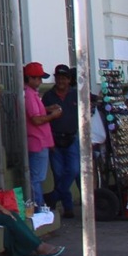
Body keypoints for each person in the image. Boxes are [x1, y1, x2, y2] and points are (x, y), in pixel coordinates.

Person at [43, 65, 80, 218]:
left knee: (74, 169)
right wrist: (49, 140)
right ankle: (68, 207)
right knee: (58, 173)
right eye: (58, 78)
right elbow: (43, 119)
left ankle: (56, 194)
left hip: (72, 137)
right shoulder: (48, 96)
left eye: (64, 78)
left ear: (69, 80)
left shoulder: (75, 95)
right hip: (54, 138)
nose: (61, 81)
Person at [24, 62, 60, 206]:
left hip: (40, 141)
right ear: (30, 78)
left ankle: (39, 206)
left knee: (37, 178)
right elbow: (36, 119)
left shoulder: (32, 94)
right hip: (37, 142)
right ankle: (39, 207)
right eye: (38, 78)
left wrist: (48, 109)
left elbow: (37, 113)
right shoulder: (29, 95)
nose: (40, 81)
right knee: (36, 179)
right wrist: (53, 116)